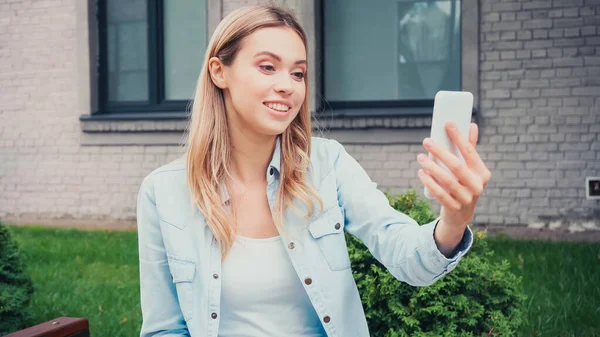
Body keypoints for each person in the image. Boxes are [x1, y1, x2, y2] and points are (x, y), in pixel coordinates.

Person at [136, 5, 491, 337]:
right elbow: (164, 328)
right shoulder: (163, 193)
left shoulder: (327, 164)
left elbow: (405, 254)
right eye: (267, 67)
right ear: (219, 72)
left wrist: (453, 221)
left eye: (298, 72)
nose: (287, 85)